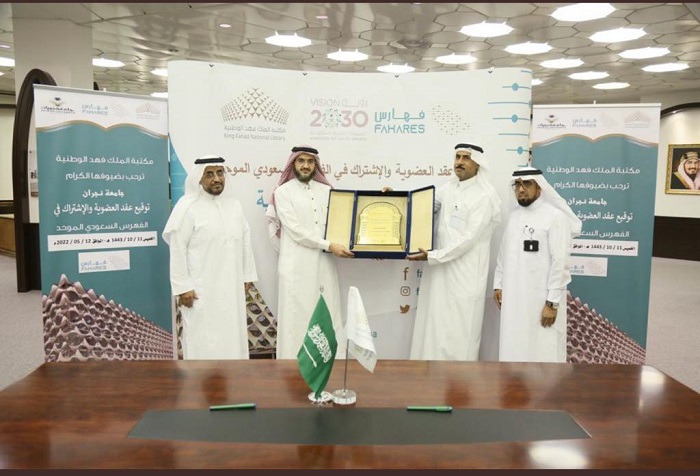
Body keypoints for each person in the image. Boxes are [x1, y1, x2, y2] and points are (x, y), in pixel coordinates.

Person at [407, 143, 502, 361]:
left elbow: (468, 239)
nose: (459, 162)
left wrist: (433, 256)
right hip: (440, 273)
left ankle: (458, 379)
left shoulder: (485, 196)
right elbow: (423, 206)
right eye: (457, 157)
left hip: (465, 275)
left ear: (477, 164)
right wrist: (395, 199)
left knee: (459, 328)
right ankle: (431, 374)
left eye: (466, 158)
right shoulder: (449, 188)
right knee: (435, 323)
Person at [163, 156, 258, 359]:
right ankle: (202, 379)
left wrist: (247, 276)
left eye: (219, 173)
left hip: (231, 287)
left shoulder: (234, 205)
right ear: (199, 178)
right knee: (203, 338)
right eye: (209, 174)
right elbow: (177, 248)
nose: (216, 179)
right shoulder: (187, 207)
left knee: (232, 335)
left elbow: (245, 240)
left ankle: (233, 377)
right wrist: (182, 287)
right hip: (201, 289)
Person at [265, 145, 354, 359]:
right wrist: (329, 245)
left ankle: (329, 363)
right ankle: (292, 366)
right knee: (296, 317)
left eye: (310, 161)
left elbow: (346, 219)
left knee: (327, 312)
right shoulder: (282, 192)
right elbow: (296, 231)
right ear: (293, 163)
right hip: (296, 266)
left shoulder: (327, 191)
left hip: (323, 264)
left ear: (316, 165)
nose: (305, 165)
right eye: (301, 161)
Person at [493, 167, 582, 363]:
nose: (521, 189)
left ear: (539, 187)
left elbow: (560, 263)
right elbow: (503, 253)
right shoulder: (514, 216)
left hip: (541, 300)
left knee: (543, 349)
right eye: (517, 184)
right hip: (514, 299)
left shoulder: (555, 217)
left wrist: (552, 303)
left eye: (527, 183)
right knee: (513, 346)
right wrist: (498, 284)